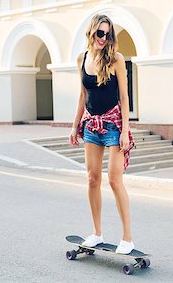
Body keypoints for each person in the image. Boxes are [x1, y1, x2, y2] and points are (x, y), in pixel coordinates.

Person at [69, 14, 135, 254]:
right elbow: (82, 95)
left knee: (115, 180)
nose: (103, 38)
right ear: (92, 32)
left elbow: (125, 98)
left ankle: (127, 238)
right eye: (100, 33)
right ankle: (96, 234)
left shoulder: (116, 59)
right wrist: (75, 125)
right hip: (91, 126)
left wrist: (125, 131)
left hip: (114, 126)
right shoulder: (81, 59)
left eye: (108, 34)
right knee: (92, 179)